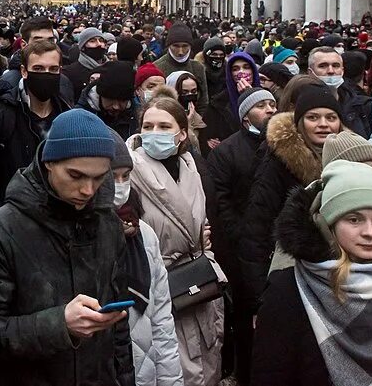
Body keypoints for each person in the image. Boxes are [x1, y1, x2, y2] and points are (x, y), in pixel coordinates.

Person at [0, 108, 136, 386]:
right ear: (48, 163)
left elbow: (118, 332)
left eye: (99, 177)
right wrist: (59, 325)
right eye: (76, 176)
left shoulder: (108, 225)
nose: (88, 190)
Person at [252, 159, 372, 385]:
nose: (370, 232)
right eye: (354, 219)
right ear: (329, 226)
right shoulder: (289, 288)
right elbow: (270, 375)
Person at [128, 96, 225, 386]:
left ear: (182, 133)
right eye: (148, 126)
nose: (154, 132)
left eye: (164, 126)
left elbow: (200, 214)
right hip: (162, 285)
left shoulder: (190, 166)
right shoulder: (130, 172)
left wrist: (202, 239)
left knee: (207, 359)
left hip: (198, 278)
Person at [238, 85, 343, 311]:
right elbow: (256, 231)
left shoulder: (352, 157)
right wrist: (261, 299)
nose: (323, 124)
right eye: (313, 117)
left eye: (331, 117)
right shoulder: (277, 165)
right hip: (292, 276)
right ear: (300, 122)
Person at [206, 85, 276, 383]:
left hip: (275, 245)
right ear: (246, 114)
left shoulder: (281, 146)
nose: (270, 110)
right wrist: (241, 237)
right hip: (240, 251)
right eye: (262, 106)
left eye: (273, 104)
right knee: (247, 318)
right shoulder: (227, 151)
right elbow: (220, 200)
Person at [0, 39, 70, 221]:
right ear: (24, 72)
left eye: (53, 69)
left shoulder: (68, 117)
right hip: (8, 223)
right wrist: (4, 218)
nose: (46, 75)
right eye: (39, 69)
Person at [109, 137, 182, 386]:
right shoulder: (78, 240)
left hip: (147, 370)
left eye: (126, 176)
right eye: (111, 177)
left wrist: (171, 381)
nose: (120, 186)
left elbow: (162, 317)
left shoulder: (143, 234)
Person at [153, 23, 209, 114]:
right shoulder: (157, 67)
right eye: (176, 46)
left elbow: (203, 102)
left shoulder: (198, 68)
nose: (180, 51)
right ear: (169, 46)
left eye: (185, 46)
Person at [61, 26, 111, 95]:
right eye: (92, 41)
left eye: (101, 40)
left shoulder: (111, 68)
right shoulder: (70, 73)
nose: (99, 44)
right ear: (83, 47)